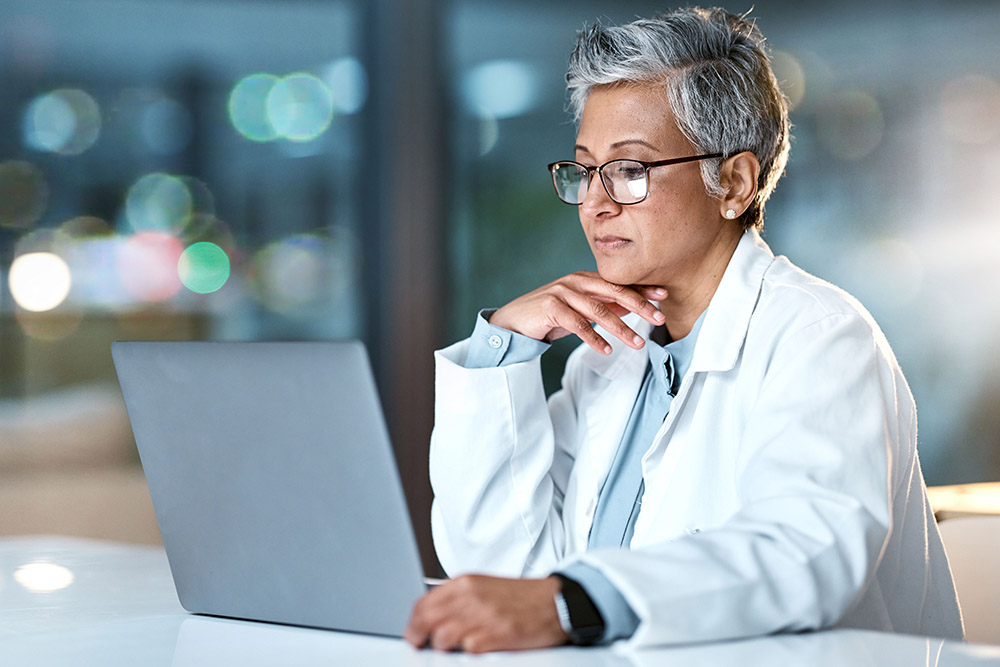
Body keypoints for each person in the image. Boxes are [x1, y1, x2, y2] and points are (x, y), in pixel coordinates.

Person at [404, 6, 963, 654]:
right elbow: (502, 571)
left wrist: (575, 600)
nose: (595, 200)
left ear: (734, 181)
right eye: (585, 169)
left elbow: (803, 555)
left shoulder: (820, 336)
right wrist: (502, 343)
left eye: (631, 169)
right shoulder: (607, 357)